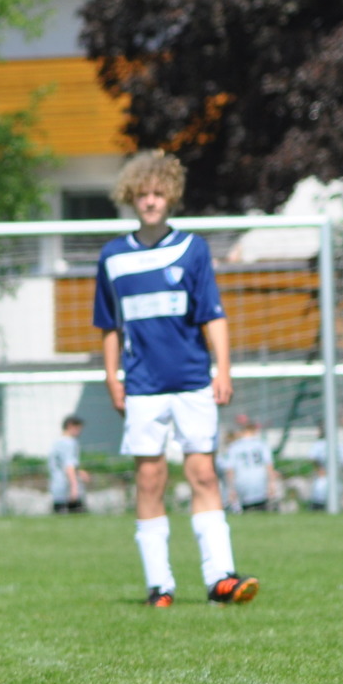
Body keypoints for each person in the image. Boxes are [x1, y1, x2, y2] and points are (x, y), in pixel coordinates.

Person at [94, 150, 257, 607]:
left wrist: (223, 369)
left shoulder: (193, 249)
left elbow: (213, 315)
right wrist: (111, 377)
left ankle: (220, 578)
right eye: (142, 194)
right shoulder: (113, 257)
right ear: (131, 198)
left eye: (158, 193)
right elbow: (108, 325)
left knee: (203, 473)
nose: (150, 201)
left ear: (171, 197)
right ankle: (159, 585)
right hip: (142, 385)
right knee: (150, 480)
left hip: (192, 381)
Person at [220, 416, 275, 512]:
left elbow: (230, 470)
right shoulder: (262, 444)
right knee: (262, 508)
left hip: (242, 481)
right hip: (260, 480)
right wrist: (271, 483)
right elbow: (269, 466)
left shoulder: (234, 447)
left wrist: (231, 489)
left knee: (245, 509)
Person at [48, 415, 88, 513]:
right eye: (78, 428)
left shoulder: (58, 442)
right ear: (70, 426)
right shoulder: (69, 443)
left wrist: (79, 472)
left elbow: (62, 464)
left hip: (58, 488)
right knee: (77, 517)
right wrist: (74, 488)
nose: (80, 432)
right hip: (66, 488)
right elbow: (69, 466)